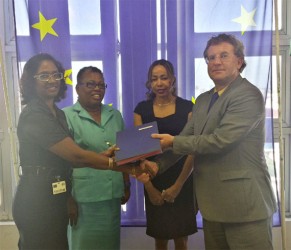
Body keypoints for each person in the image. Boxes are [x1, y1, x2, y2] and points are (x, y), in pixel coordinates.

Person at [143, 34, 277, 249]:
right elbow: (186, 138)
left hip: (245, 206)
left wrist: (171, 142)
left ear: (239, 61)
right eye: (210, 57)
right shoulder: (204, 99)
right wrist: (156, 166)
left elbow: (220, 141)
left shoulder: (248, 95)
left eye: (223, 55)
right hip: (212, 206)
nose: (216, 62)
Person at [12, 53, 142, 250]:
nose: (52, 80)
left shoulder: (56, 114)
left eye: (56, 75)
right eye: (44, 76)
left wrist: (103, 157)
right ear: (31, 81)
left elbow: (69, 160)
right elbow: (76, 155)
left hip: (55, 195)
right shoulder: (35, 115)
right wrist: (120, 166)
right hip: (37, 199)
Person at [63, 66, 130, 250]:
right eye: (90, 84)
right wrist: (67, 199)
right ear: (77, 88)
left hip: (112, 196)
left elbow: (123, 152)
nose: (97, 89)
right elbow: (62, 162)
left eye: (101, 85)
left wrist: (126, 183)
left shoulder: (114, 115)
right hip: (82, 199)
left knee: (110, 246)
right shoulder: (66, 116)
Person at [134, 59, 197, 250]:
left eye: (164, 78)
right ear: (149, 83)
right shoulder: (142, 110)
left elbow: (192, 149)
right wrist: (151, 188)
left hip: (183, 179)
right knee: (159, 238)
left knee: (181, 238)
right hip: (153, 178)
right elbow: (140, 153)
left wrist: (178, 186)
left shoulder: (188, 108)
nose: (159, 83)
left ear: (172, 80)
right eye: (154, 79)